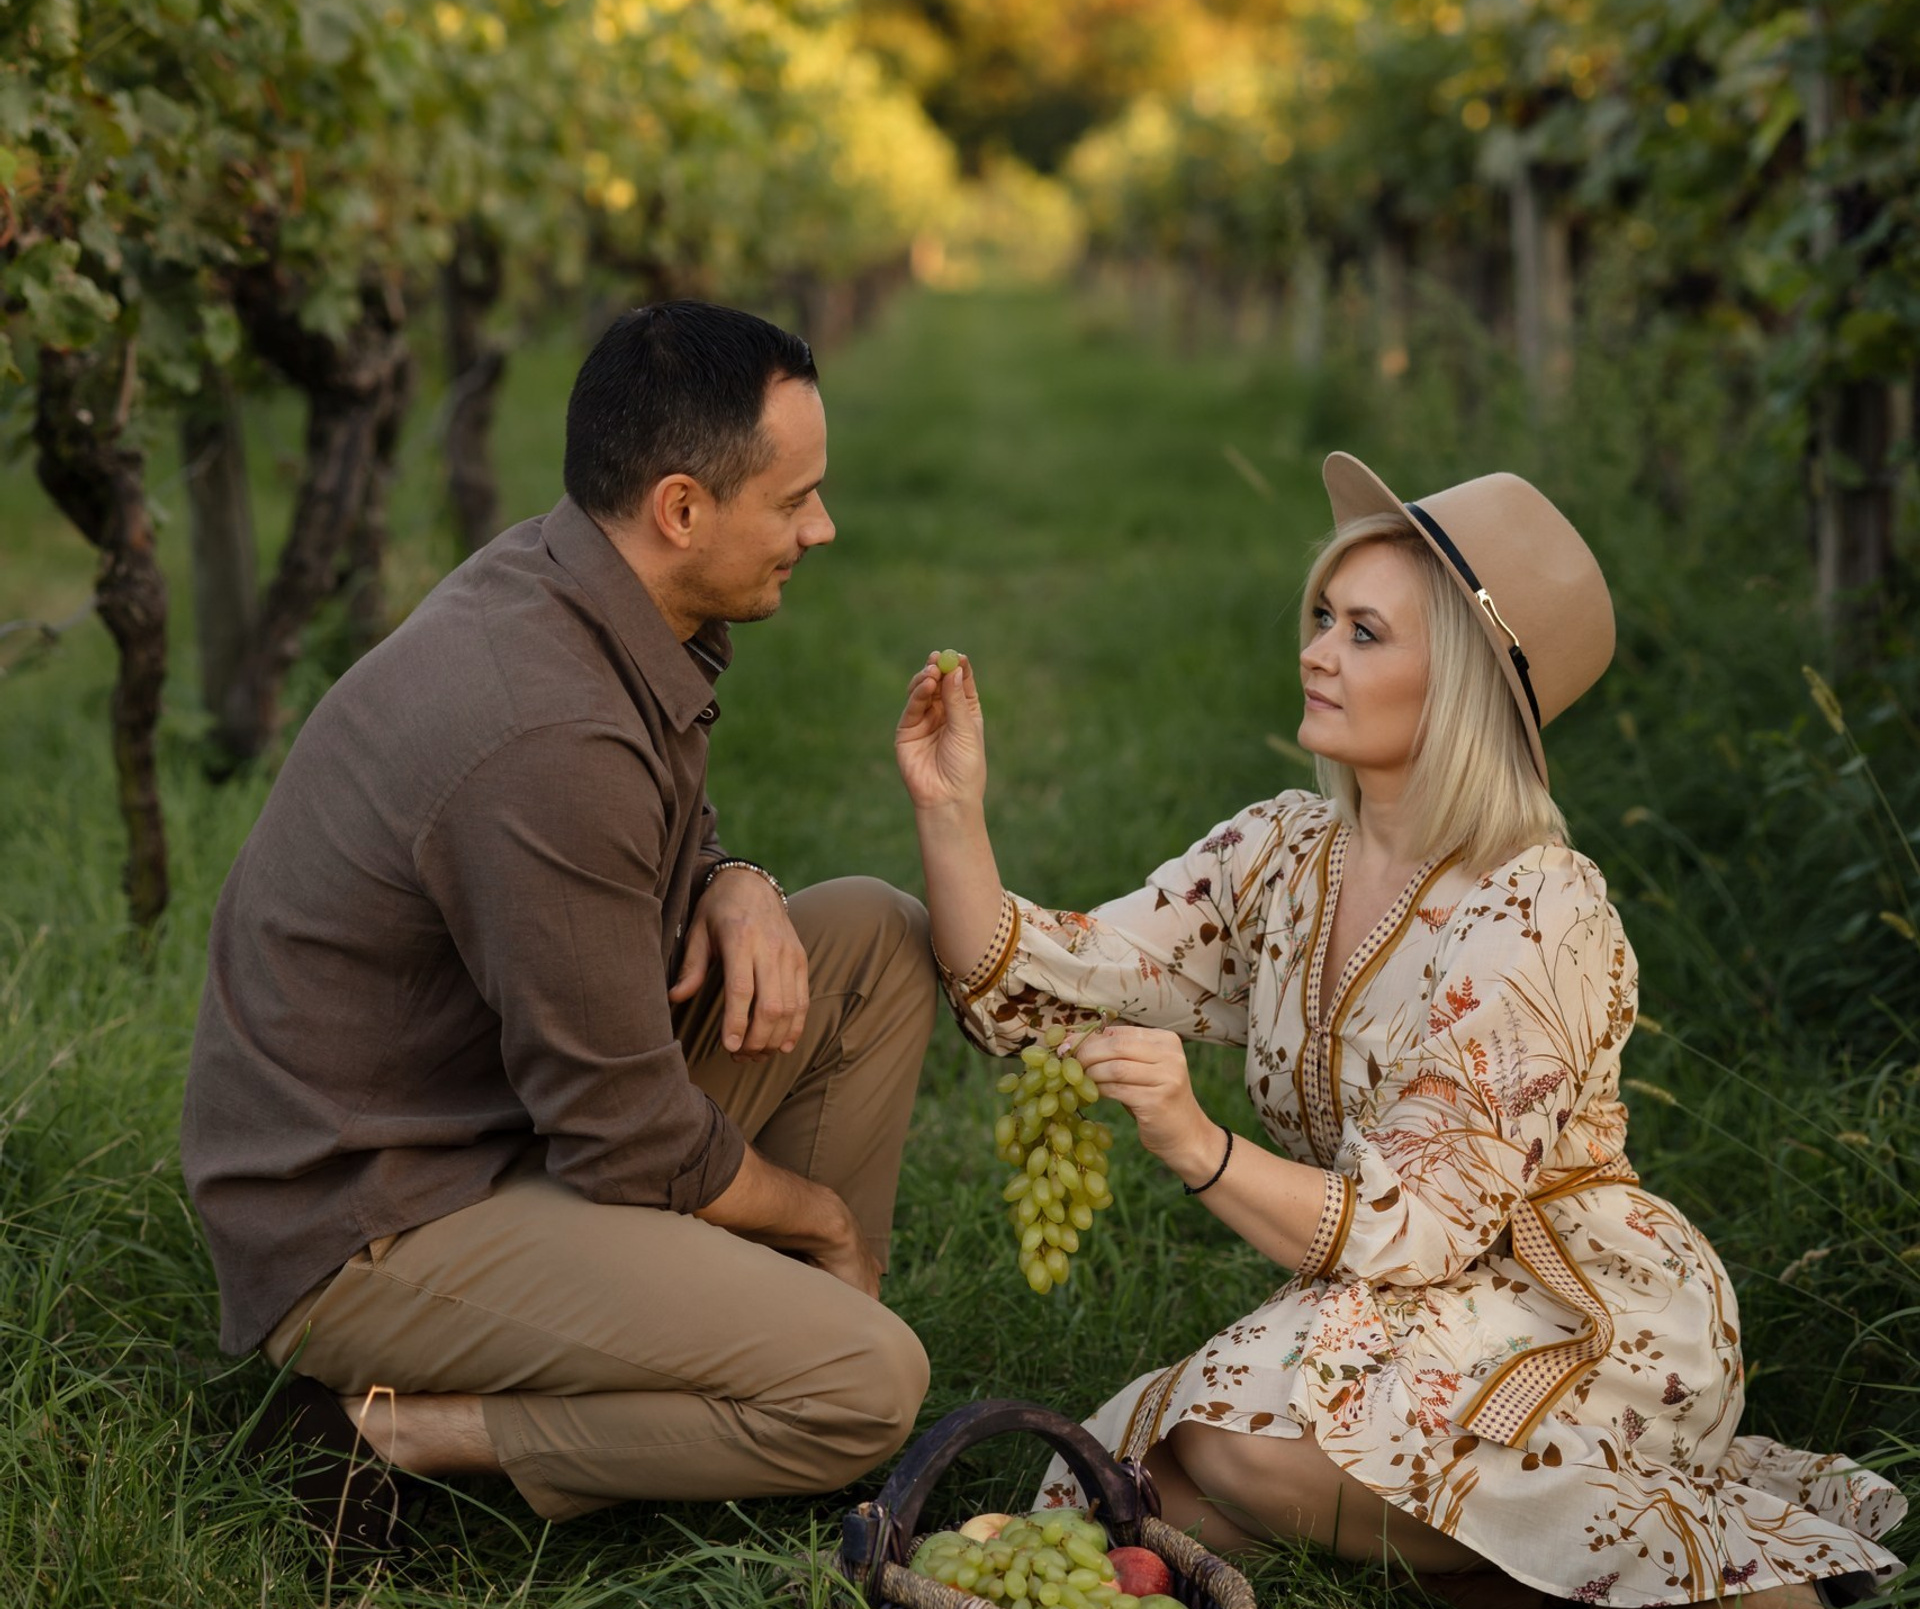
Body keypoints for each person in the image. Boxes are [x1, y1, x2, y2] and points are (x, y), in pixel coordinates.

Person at [894, 451, 1906, 1609]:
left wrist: (1197, 1144)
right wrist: (949, 807)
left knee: (1230, 1452)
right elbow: (1043, 977)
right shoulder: (1281, 855)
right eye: (1323, 616)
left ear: (1464, 683)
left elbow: (1425, 1226)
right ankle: (1560, 1577)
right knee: (1155, 1478)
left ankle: (1715, 1576)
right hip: (1392, 1297)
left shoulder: (1537, 908)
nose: (1318, 650)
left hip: (1569, 1303)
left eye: (1365, 633)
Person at [183, 301, 936, 1550]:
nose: (823, 527)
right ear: (682, 508)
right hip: (377, 1216)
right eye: (795, 499)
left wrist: (731, 872)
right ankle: (398, 1429)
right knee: (871, 1390)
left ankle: (749, 1351)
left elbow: (641, 836)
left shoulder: (571, 580)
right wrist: (823, 1220)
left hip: (489, 1117)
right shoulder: (543, 727)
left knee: (867, 937)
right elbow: (621, 1133)